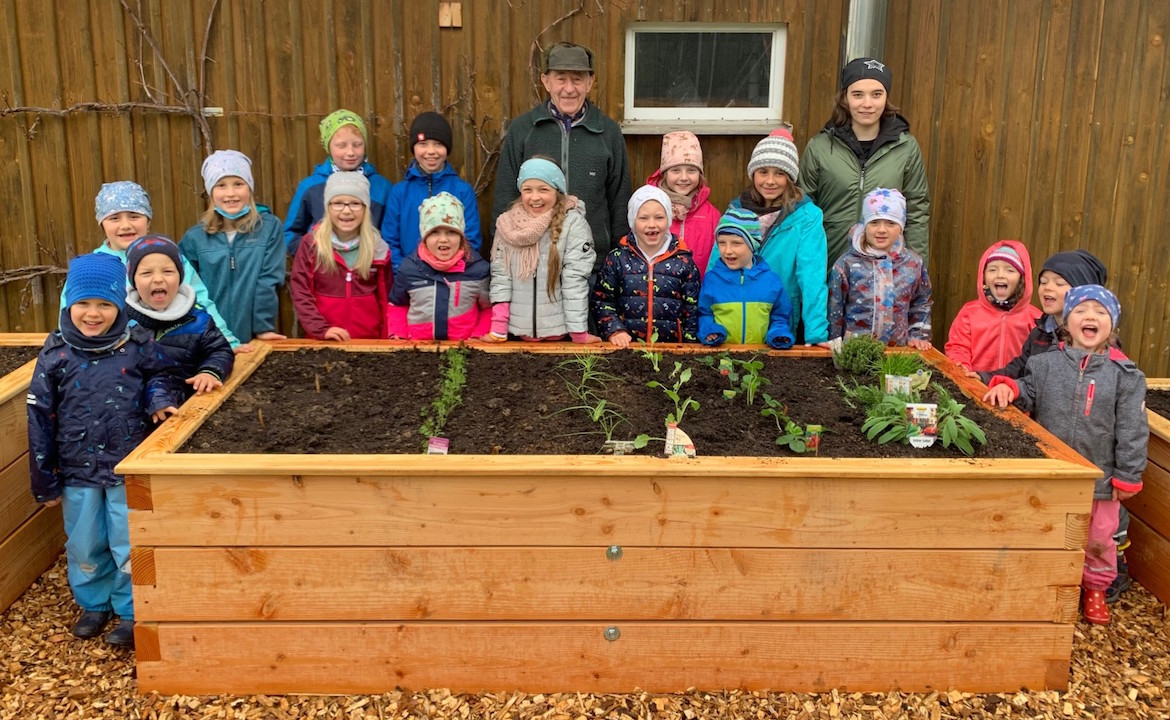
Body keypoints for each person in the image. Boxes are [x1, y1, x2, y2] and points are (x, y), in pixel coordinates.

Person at [28, 253, 181, 647]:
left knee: (127, 538)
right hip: (76, 467)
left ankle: (131, 608)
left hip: (124, 463)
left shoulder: (138, 345)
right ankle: (93, 601)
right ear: (69, 304)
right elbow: (40, 417)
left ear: (120, 304)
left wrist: (158, 398)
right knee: (83, 540)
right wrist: (44, 481)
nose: (93, 313)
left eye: (104, 304)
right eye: (83, 303)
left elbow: (163, 376)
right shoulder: (55, 353)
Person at [983, 285, 1147, 625]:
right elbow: (1027, 394)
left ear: (1112, 326)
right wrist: (1009, 387)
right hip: (1052, 474)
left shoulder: (1125, 377)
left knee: (1100, 538)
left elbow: (1133, 429)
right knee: (1048, 531)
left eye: (1100, 313)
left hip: (1100, 480)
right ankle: (1046, 586)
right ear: (1066, 321)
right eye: (1082, 311)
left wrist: (1129, 475)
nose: (1091, 317)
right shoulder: (1044, 365)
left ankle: (1096, 589)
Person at [492, 42, 632, 271]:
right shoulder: (523, 130)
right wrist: (500, 264)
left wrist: (620, 262)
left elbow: (620, 202)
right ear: (546, 82)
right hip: (532, 263)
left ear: (590, 82)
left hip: (592, 265)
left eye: (577, 79)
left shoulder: (608, 132)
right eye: (560, 79)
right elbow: (504, 199)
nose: (569, 88)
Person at [64, 181, 241, 348]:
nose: (125, 225)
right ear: (102, 224)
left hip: (174, 348)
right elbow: (69, 311)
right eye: (114, 218)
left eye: (134, 216)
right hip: (111, 353)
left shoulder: (167, 257)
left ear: (148, 221)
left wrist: (225, 340)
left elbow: (200, 300)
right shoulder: (91, 266)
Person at [800, 57, 931, 266]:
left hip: (887, 271)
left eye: (876, 94)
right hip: (830, 264)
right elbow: (803, 211)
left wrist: (916, 267)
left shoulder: (906, 147)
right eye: (858, 94)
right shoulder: (820, 147)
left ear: (886, 98)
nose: (867, 104)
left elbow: (916, 212)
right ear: (845, 98)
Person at [716, 129, 828, 345]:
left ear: (790, 177)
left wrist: (816, 333)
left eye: (779, 173)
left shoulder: (806, 216)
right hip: (736, 314)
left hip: (781, 318)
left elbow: (812, 275)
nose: (770, 181)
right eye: (763, 172)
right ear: (753, 174)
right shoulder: (737, 210)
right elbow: (716, 265)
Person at [180, 149, 287, 345]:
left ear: (249, 188)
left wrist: (262, 327)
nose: (231, 193)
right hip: (207, 339)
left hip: (252, 338)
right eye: (221, 185)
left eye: (238, 184)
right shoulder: (194, 238)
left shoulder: (269, 228)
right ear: (211, 192)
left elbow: (269, 279)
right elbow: (187, 290)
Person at [487, 158, 595, 342]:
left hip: (560, 333)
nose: (535, 197)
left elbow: (575, 280)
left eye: (543, 189)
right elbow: (501, 277)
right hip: (517, 335)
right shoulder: (508, 225)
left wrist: (578, 333)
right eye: (527, 189)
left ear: (557, 191)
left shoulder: (573, 224)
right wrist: (498, 329)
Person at [124, 235, 234, 400]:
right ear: (134, 280)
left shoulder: (198, 320)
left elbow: (220, 350)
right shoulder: (122, 322)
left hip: (185, 410)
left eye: (168, 271)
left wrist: (209, 372)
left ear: (180, 276)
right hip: (136, 411)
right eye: (146, 273)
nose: (158, 279)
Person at [974, 249, 1109, 382]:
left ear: (1083, 293)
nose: (1047, 287)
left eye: (1059, 283)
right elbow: (1019, 369)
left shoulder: (1096, 341)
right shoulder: (1040, 333)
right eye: (1043, 282)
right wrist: (984, 378)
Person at [593, 185, 701, 346]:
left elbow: (692, 308)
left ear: (668, 219)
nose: (652, 224)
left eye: (659, 217)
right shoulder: (617, 259)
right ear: (633, 221)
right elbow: (602, 301)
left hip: (671, 349)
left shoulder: (683, 262)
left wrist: (688, 345)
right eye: (643, 218)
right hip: (627, 346)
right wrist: (615, 330)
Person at [290, 172, 391, 341]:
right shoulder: (312, 244)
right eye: (337, 203)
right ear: (327, 207)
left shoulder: (378, 248)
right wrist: (320, 329)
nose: (346, 211)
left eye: (355, 203)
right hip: (324, 340)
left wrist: (386, 338)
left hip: (369, 342)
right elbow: (301, 291)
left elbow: (386, 299)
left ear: (365, 207)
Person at [828, 188, 932, 349]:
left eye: (891, 223)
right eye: (874, 222)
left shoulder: (913, 264)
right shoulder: (846, 264)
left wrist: (917, 335)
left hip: (897, 351)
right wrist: (834, 344)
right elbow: (835, 307)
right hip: (855, 351)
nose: (882, 230)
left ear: (901, 227)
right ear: (865, 225)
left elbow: (921, 302)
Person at [283, 109, 394, 255]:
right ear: (328, 146)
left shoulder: (382, 187)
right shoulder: (310, 187)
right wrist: (310, 256)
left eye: (357, 144)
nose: (350, 152)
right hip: (320, 269)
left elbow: (390, 234)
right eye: (341, 146)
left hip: (365, 268)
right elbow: (291, 232)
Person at [383, 111, 482, 273]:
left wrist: (448, 270)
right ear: (413, 147)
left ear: (447, 148)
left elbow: (471, 240)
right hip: (410, 281)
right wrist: (406, 272)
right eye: (423, 144)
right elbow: (389, 241)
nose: (431, 151)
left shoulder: (463, 191)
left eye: (438, 144)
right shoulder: (399, 193)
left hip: (452, 279)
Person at [387, 192, 490, 340]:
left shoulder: (477, 270)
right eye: (434, 232)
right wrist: (399, 335)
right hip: (417, 350)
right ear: (424, 237)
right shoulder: (410, 268)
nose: (443, 239)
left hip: (464, 351)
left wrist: (478, 336)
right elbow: (397, 305)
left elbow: (488, 309)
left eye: (451, 232)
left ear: (461, 237)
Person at [698, 207, 794, 349]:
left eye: (736, 243)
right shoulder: (712, 280)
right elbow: (704, 313)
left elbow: (780, 316)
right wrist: (710, 331)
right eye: (722, 243)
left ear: (753, 244)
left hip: (759, 359)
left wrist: (778, 334)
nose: (727, 250)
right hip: (722, 358)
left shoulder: (771, 281)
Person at [945, 241, 1041, 372]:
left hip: (1014, 388)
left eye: (1010, 270)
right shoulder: (969, 312)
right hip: (976, 385)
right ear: (983, 277)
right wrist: (961, 366)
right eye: (992, 269)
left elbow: (1039, 357)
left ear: (1022, 278)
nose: (1000, 275)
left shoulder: (1034, 317)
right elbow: (958, 346)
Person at [646, 131, 721, 277]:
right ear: (664, 174)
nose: (684, 177)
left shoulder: (712, 216)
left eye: (691, 170)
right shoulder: (649, 209)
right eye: (675, 170)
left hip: (699, 291)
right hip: (659, 293)